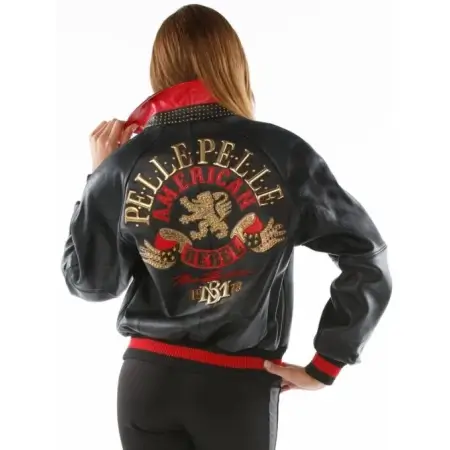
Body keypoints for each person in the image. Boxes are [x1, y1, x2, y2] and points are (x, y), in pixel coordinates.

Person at [61, 4, 392, 450]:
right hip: (236, 389)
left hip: (147, 383)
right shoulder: (282, 151)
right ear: (234, 65)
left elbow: (92, 283)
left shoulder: (127, 161)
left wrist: (99, 178)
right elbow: (365, 254)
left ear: (160, 69)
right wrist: (327, 363)